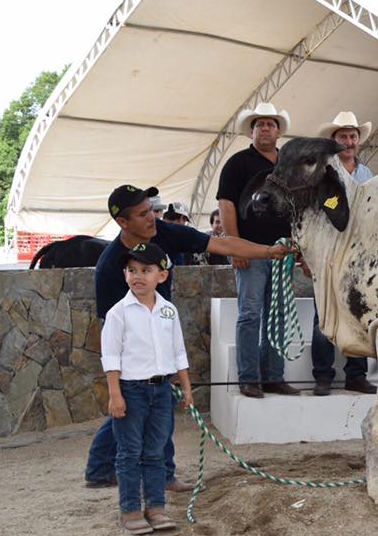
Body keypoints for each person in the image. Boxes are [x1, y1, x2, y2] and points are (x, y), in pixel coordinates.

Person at [84, 183, 294, 490]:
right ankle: (153, 474)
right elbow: (110, 329)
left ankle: (106, 470)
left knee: (147, 406)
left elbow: (223, 245)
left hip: (160, 331)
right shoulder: (109, 268)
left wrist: (268, 252)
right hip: (134, 348)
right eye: (142, 214)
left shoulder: (167, 233)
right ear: (123, 222)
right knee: (138, 405)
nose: (152, 217)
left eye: (150, 209)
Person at [102, 242, 194, 535]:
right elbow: (111, 357)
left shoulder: (169, 311)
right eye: (131, 270)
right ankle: (130, 510)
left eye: (146, 270)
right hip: (131, 390)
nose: (137, 276)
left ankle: (156, 507)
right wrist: (115, 395)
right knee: (129, 452)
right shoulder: (119, 313)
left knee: (155, 451)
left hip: (162, 390)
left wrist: (187, 387)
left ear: (162, 276)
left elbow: (178, 350)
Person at [217, 102, 300, 399]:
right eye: (260, 124)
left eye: (270, 124)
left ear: (278, 131)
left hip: (282, 252)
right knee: (250, 314)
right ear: (251, 131)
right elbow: (226, 204)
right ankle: (249, 378)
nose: (265, 128)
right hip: (250, 252)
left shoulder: (289, 166)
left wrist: (297, 245)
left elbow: (298, 207)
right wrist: (233, 245)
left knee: (277, 314)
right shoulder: (237, 163)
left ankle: (274, 377)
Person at [309, 112, 378, 396]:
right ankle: (323, 376)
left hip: (359, 255)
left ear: (358, 140)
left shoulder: (368, 176)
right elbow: (313, 217)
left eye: (352, 136)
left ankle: (355, 374)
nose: (348, 142)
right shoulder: (320, 174)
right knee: (323, 315)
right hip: (327, 253)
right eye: (343, 137)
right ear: (333, 141)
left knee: (359, 313)